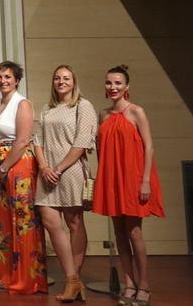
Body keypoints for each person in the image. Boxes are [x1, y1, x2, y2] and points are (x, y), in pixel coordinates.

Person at [94, 65, 164, 306]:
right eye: (108, 83)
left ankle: (144, 285)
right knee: (119, 233)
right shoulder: (103, 115)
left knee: (134, 232)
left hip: (134, 179)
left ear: (127, 87)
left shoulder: (137, 112)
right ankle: (129, 283)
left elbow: (149, 147)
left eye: (117, 83)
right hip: (112, 179)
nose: (112, 87)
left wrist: (145, 180)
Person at [35, 64, 97, 302]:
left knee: (74, 221)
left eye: (66, 78)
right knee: (51, 221)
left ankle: (73, 279)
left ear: (74, 82)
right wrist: (44, 167)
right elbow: (37, 140)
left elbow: (82, 142)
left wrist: (59, 168)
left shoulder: (83, 106)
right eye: (57, 78)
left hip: (70, 171)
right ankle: (73, 280)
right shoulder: (47, 109)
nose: (61, 81)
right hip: (47, 172)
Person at [0, 61, 46, 294]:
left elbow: (22, 141)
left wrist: (2, 170)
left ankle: (26, 279)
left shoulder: (22, 103)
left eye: (8, 77)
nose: (3, 81)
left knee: (22, 221)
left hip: (18, 164)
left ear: (17, 80)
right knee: (2, 222)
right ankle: (6, 274)